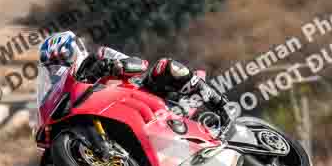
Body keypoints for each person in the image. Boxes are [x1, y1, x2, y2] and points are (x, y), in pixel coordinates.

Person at [38, 31, 233, 129]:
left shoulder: (100, 55)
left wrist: (114, 66)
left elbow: (140, 64)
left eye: (60, 61)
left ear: (72, 51)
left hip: (144, 95)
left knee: (165, 66)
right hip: (118, 115)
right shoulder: (69, 91)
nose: (59, 68)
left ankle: (219, 104)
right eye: (53, 66)